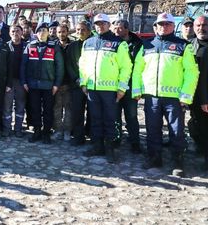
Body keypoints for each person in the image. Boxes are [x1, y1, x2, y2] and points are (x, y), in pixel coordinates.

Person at [132, 13, 199, 177]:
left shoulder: (183, 46)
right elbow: (137, 70)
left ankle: (178, 161)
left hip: (174, 99)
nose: (163, 27)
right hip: (151, 97)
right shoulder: (146, 45)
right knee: (152, 129)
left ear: (172, 26)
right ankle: (155, 158)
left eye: (167, 24)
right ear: (155, 27)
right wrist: (136, 91)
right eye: (160, 24)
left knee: (177, 131)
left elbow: (191, 72)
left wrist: (186, 96)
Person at [79, 14, 132, 163]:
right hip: (92, 89)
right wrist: (83, 83)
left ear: (109, 25)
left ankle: (111, 149)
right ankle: (97, 146)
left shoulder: (119, 43)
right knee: (95, 119)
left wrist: (122, 88)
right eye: (97, 24)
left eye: (103, 23)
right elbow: (82, 65)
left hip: (110, 90)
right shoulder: (88, 43)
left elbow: (126, 67)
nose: (100, 26)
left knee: (110, 120)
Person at [20, 22, 64, 144]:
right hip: (33, 85)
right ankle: (37, 131)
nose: (42, 33)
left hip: (49, 86)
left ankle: (46, 133)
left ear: (48, 32)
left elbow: (60, 67)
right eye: (40, 31)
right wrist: (24, 82)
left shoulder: (54, 47)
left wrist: (56, 84)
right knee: (35, 109)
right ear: (36, 33)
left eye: (44, 30)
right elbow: (23, 65)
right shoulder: (30, 46)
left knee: (48, 110)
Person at [112, 19, 143, 153]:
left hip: (130, 86)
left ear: (127, 29)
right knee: (115, 114)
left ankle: (134, 141)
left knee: (131, 116)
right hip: (115, 85)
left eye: (119, 28)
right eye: (115, 28)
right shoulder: (113, 43)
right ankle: (117, 138)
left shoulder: (138, 44)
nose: (116, 31)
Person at [65, 21, 92, 146]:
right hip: (76, 85)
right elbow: (69, 65)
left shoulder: (95, 44)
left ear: (89, 31)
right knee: (77, 111)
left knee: (93, 112)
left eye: (83, 29)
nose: (80, 32)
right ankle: (78, 136)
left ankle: (92, 134)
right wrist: (77, 79)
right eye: (78, 30)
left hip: (92, 84)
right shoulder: (72, 46)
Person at [188, 15, 208, 170]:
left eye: (205, 25)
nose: (202, 28)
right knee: (198, 125)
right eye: (198, 25)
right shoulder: (189, 46)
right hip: (195, 96)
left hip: (206, 96)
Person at [4, 24, 27, 138]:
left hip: (21, 81)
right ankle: (7, 128)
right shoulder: (5, 46)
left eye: (17, 31)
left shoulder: (27, 46)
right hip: (8, 81)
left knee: (20, 106)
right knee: (7, 106)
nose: (15, 33)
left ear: (22, 32)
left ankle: (18, 129)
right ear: (9, 33)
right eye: (12, 31)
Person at [52, 24, 72, 141]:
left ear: (67, 32)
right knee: (57, 108)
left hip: (69, 82)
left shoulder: (72, 45)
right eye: (59, 32)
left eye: (63, 32)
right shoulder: (53, 45)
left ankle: (67, 130)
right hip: (56, 83)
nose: (61, 34)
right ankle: (58, 130)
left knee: (69, 108)